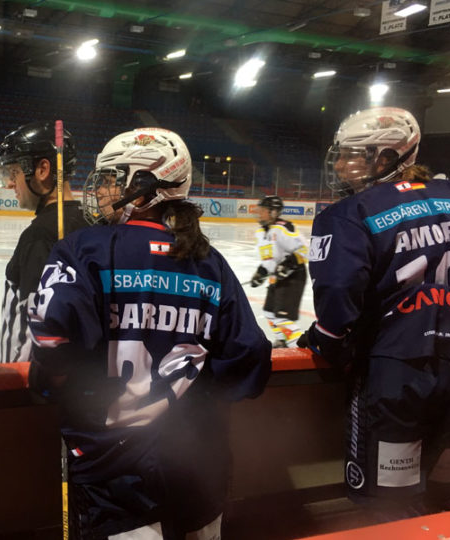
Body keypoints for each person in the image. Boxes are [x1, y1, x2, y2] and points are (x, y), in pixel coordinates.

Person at [28, 127, 272, 538]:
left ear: (140, 189)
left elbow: (51, 336)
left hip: (114, 468)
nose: (101, 190)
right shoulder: (211, 264)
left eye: (110, 179)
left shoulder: (84, 248)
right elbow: (249, 360)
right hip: (199, 463)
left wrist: (58, 383)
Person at [297, 107, 450, 520]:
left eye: (354, 155)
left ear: (387, 158)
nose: (342, 164)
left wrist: (325, 341)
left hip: (393, 377)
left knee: (389, 507)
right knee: (444, 499)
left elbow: (339, 301)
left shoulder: (348, 214)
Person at [0, 121, 89, 364]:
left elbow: (31, 329)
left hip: (31, 386)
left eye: (13, 173)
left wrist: (14, 387)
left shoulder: (39, 236)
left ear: (43, 169)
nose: (9, 183)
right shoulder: (91, 225)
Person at [249, 195, 309, 348]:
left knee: (283, 318)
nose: (259, 213)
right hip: (277, 277)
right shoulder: (260, 233)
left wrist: (290, 264)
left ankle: (298, 347)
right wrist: (261, 273)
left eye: (263, 210)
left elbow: (305, 249)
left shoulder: (283, 228)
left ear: (274, 212)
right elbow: (269, 260)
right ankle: (282, 341)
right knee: (269, 313)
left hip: (294, 276)